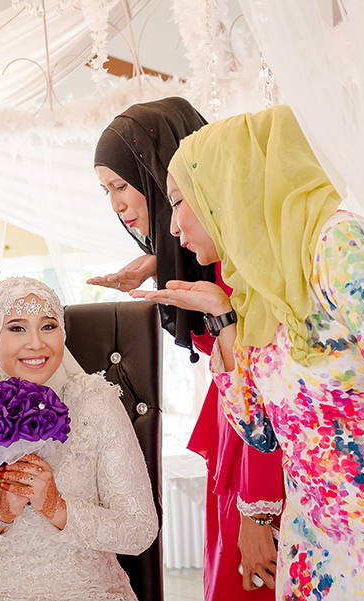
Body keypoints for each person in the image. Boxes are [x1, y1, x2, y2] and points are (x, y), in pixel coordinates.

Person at [134, 104, 364, 599]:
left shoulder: (338, 247)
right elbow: (262, 434)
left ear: (229, 186)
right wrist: (222, 317)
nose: (173, 227)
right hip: (316, 556)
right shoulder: (257, 287)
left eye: (179, 201)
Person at [91, 98, 285, 596]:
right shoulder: (209, 256)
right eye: (105, 191)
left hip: (258, 453)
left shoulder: (246, 265)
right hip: (239, 438)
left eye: (120, 185)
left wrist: (258, 506)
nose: (114, 205)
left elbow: (268, 388)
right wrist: (161, 260)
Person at [0, 276, 158, 600]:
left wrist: (58, 508)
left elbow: (140, 530)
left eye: (48, 326)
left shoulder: (97, 402)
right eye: (17, 328)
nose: (36, 343)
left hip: (85, 590)